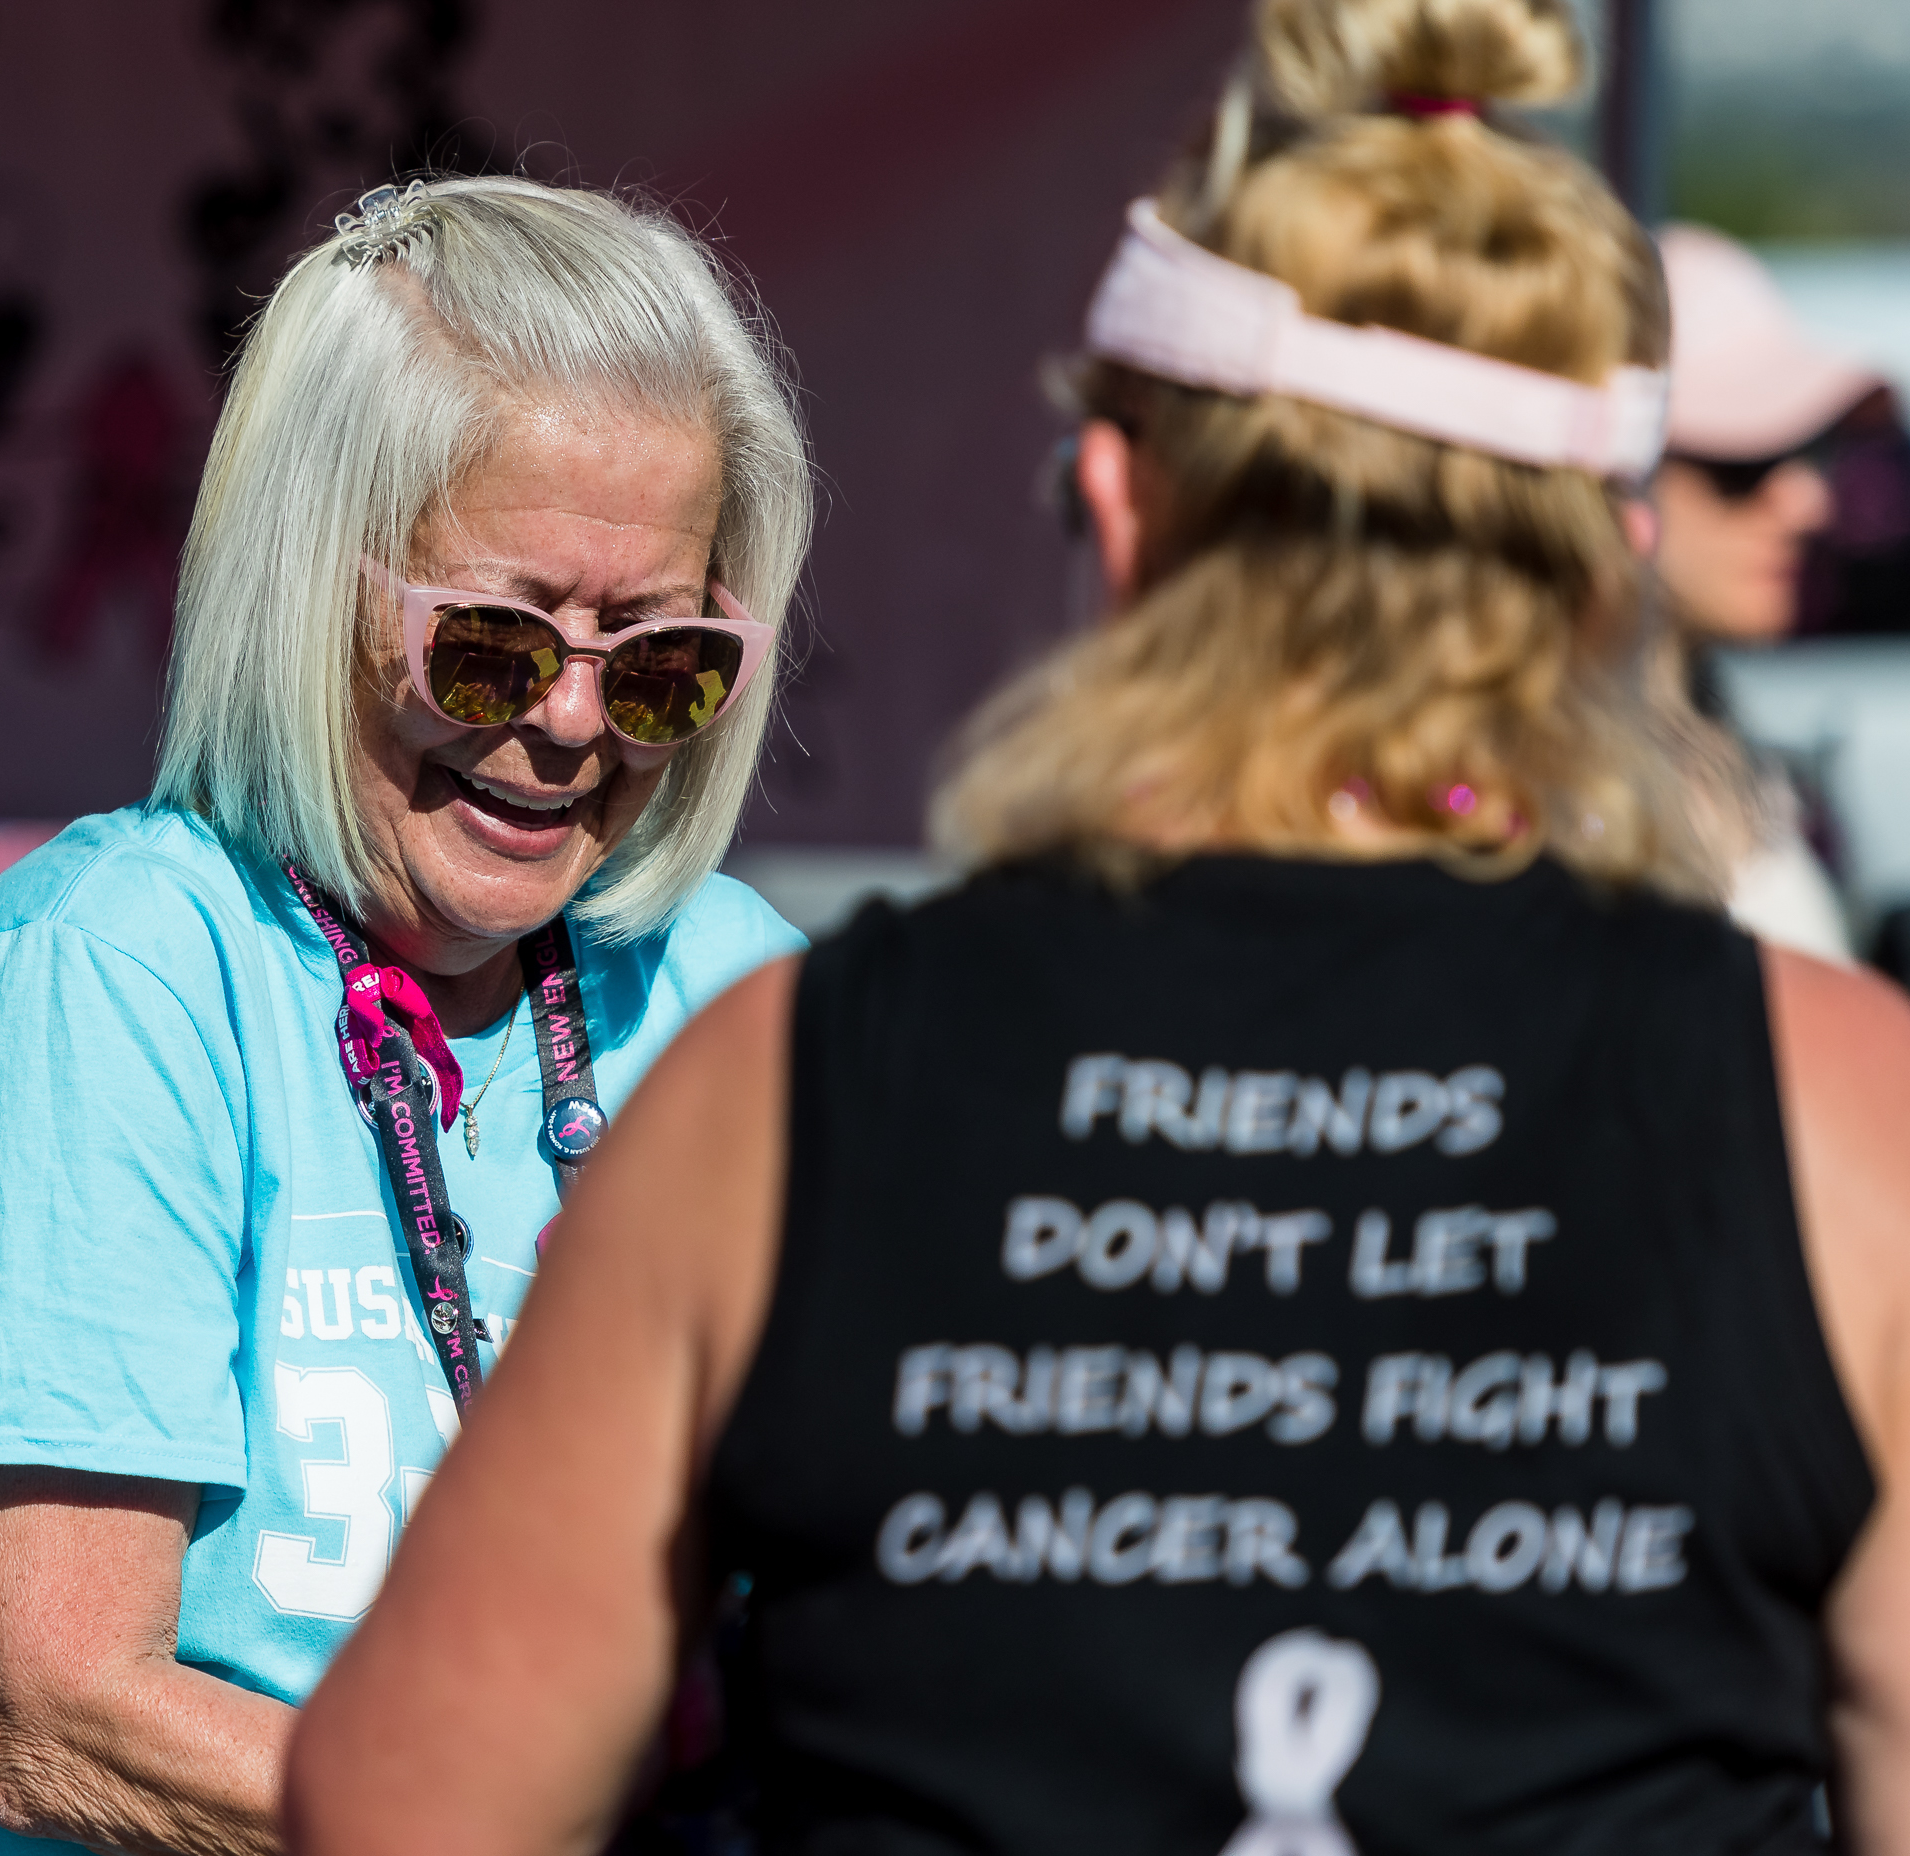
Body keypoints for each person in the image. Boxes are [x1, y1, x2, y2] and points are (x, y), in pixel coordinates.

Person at [288, 4, 1910, 1851]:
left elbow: (404, 1810)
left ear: (1120, 505)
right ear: (1612, 560)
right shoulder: (1844, 1114)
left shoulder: (786, 1091)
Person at [0, 173, 812, 1853]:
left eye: (658, 662)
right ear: (309, 594)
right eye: (491, 646)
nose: (568, 723)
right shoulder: (102, 980)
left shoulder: (734, 990)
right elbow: (55, 1713)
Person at [1653, 223, 1882, 961]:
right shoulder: (1536, 806)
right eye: (1744, 462)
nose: (1807, 501)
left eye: (1814, 448)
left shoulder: (1726, 749)